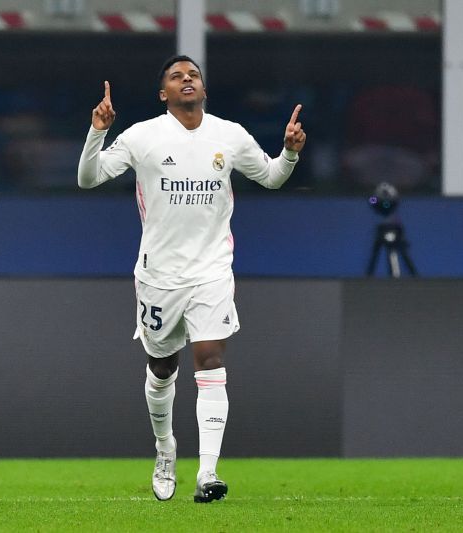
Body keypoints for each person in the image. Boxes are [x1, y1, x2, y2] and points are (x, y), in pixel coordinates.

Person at [77, 55, 306, 503]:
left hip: (212, 270)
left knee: (209, 359)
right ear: (164, 93)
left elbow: (274, 177)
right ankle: (165, 450)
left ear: (203, 89)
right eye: (176, 76)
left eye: (193, 75)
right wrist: (97, 131)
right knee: (162, 367)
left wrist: (291, 153)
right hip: (159, 276)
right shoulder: (143, 136)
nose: (187, 80)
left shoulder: (230, 135)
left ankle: (207, 474)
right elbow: (88, 179)